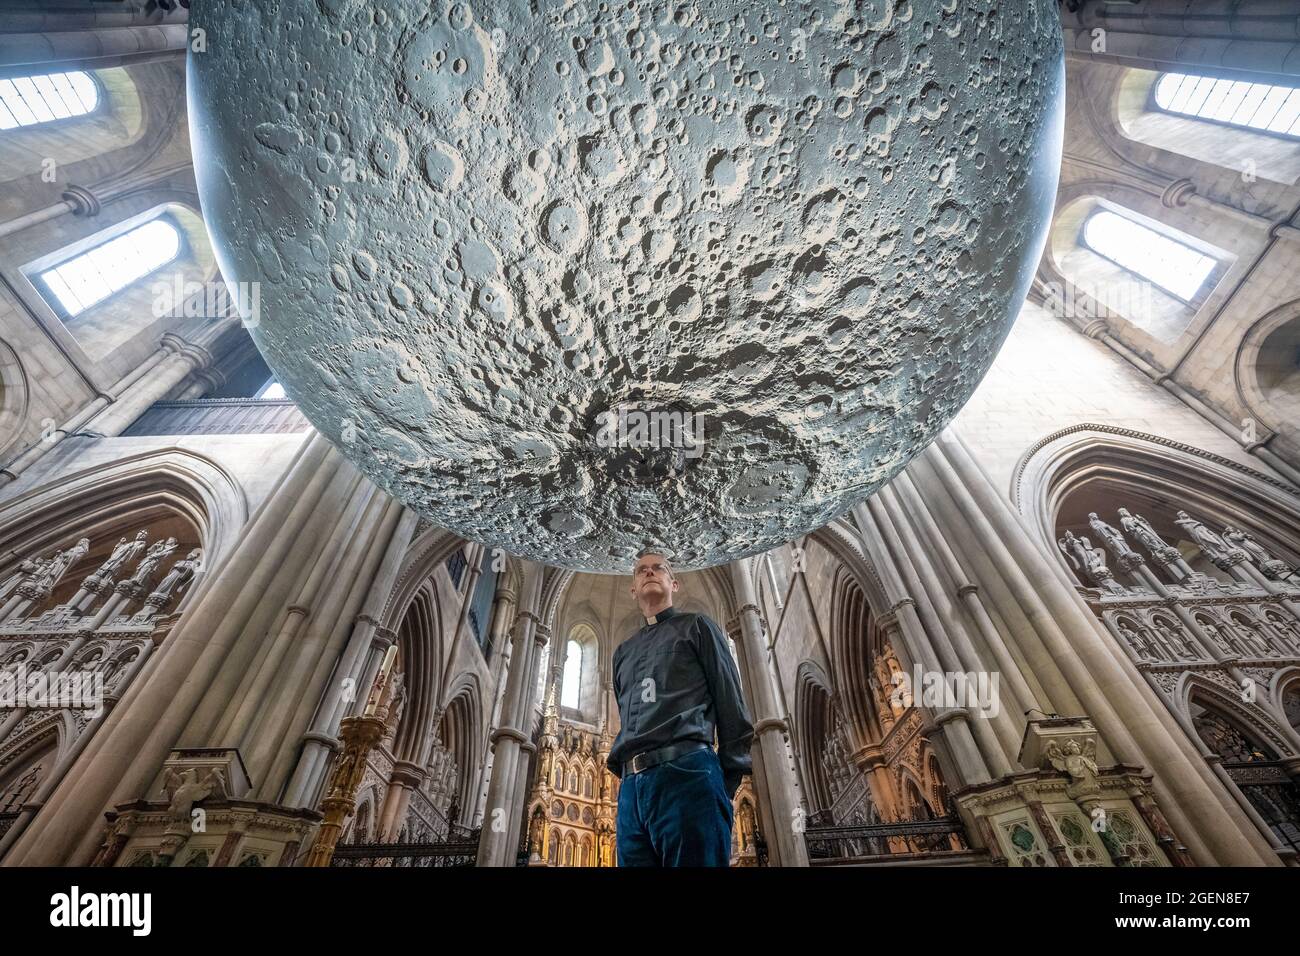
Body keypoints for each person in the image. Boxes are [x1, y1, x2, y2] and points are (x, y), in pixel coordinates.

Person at [606, 549, 755, 866]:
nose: (650, 572)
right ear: (633, 589)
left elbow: (731, 703)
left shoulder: (698, 627)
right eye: (642, 570)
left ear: (674, 583)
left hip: (688, 773)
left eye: (659, 567)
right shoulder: (622, 653)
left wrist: (719, 783)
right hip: (632, 790)